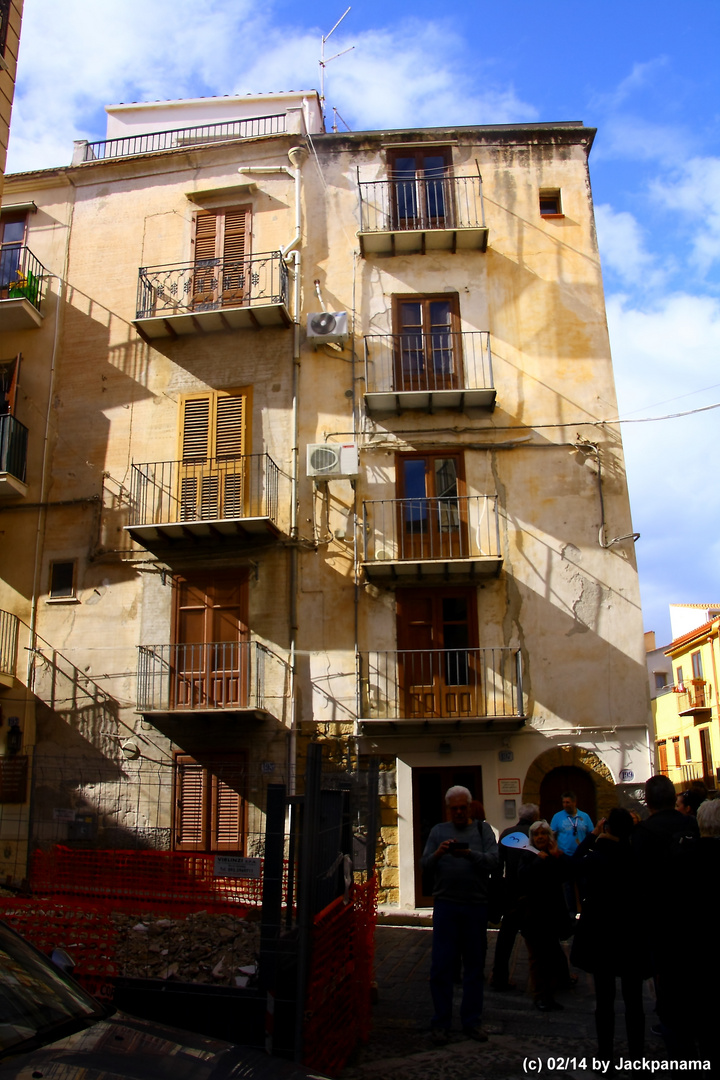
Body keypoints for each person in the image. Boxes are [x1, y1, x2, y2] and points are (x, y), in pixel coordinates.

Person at [420, 785, 498, 1044]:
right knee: (441, 965)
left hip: (476, 906)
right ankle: (440, 1021)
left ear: (470, 805)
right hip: (446, 906)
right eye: (454, 809)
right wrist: (440, 852)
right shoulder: (438, 831)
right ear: (448, 809)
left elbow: (494, 861)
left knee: (474, 967)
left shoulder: (482, 830)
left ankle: (471, 1021)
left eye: (463, 808)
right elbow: (425, 866)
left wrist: (470, 854)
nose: (459, 812)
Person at [571, 808, 651, 1059]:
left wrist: (592, 837)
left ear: (607, 828)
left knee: (604, 1002)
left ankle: (606, 1056)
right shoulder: (636, 857)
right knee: (634, 1002)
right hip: (631, 936)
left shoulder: (597, 856)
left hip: (602, 937)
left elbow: (574, 865)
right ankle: (637, 1057)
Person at [519, 819, 574, 1011]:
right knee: (536, 957)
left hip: (551, 914)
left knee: (550, 955)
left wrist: (556, 854)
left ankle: (549, 994)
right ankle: (539, 995)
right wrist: (538, 860)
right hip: (533, 914)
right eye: (537, 834)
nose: (540, 837)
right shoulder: (528, 854)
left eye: (543, 834)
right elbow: (523, 876)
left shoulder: (553, 854)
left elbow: (567, 873)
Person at [490, 803, 539, 991]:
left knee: (506, 938)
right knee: (540, 938)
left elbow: (498, 864)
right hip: (532, 894)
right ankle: (551, 976)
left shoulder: (507, 833)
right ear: (535, 816)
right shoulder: (536, 833)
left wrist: (499, 887)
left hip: (511, 892)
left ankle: (499, 976)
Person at [550, 790, 594, 856]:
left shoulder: (585, 816)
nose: (565, 805)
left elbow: (591, 834)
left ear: (574, 802)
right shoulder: (557, 816)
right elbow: (552, 835)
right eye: (563, 802)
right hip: (563, 855)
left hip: (582, 854)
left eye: (567, 802)